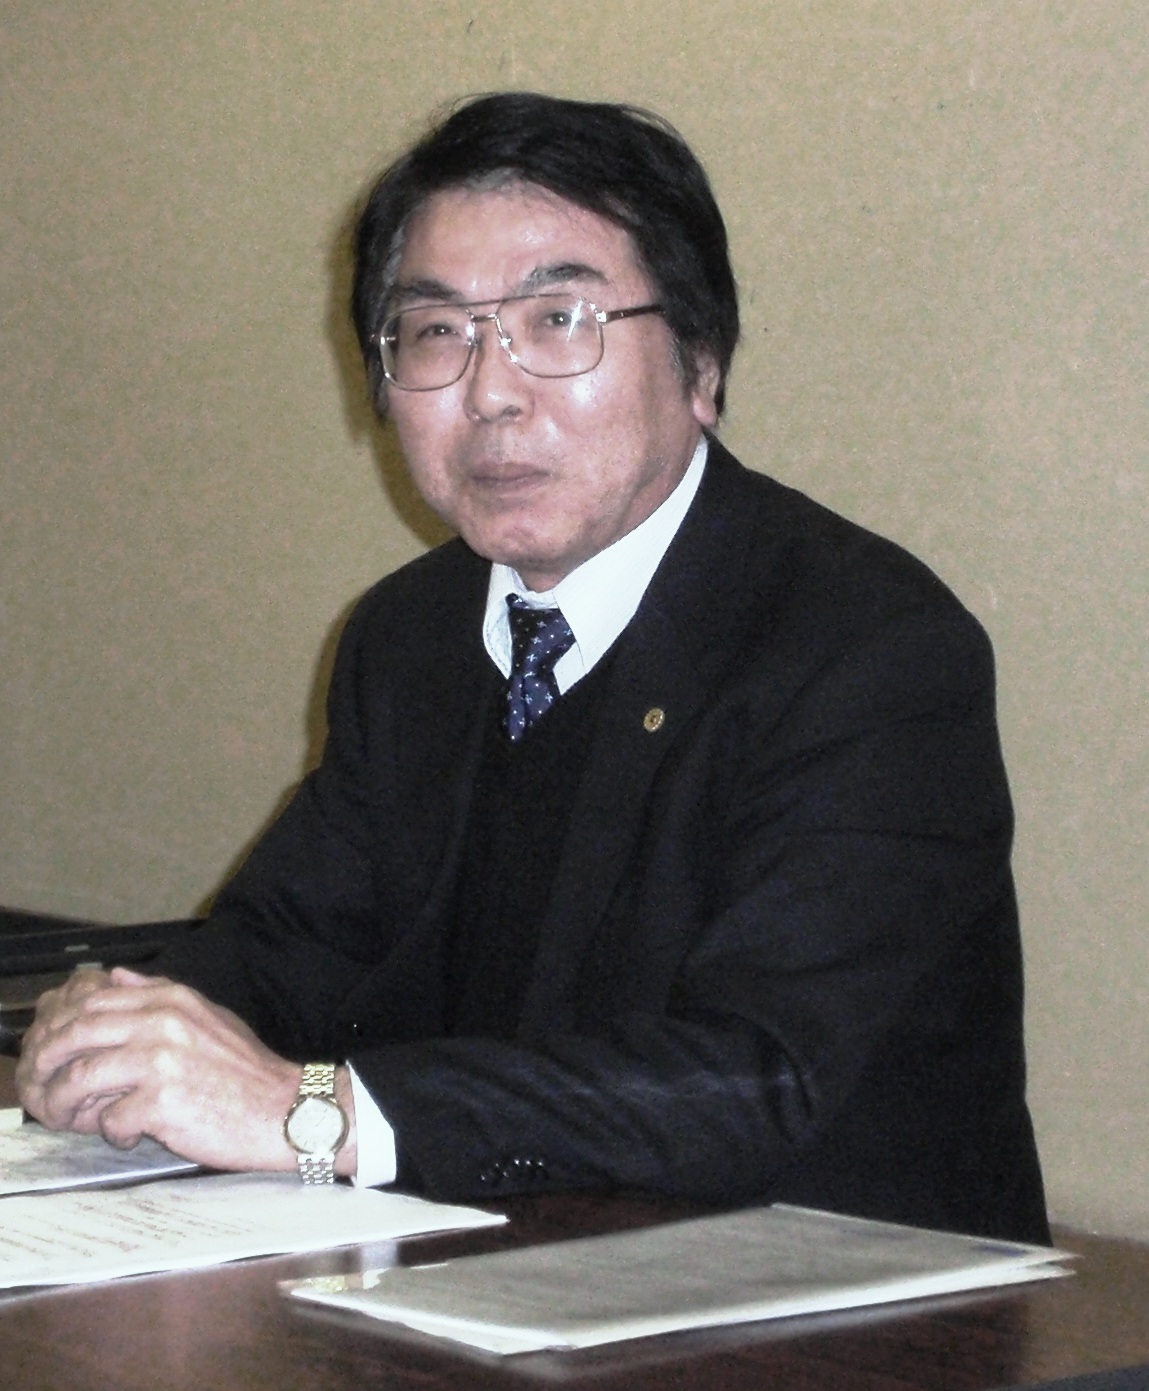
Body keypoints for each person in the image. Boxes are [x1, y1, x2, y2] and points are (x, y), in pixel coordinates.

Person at [17, 92, 1049, 1241]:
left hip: (840, 1299)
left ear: (702, 362)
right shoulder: (409, 635)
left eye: (560, 319)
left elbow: (756, 1076)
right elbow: (290, 945)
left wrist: (315, 1112)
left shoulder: (866, 648)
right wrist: (132, 1029)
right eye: (437, 333)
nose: (492, 391)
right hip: (486, 1272)